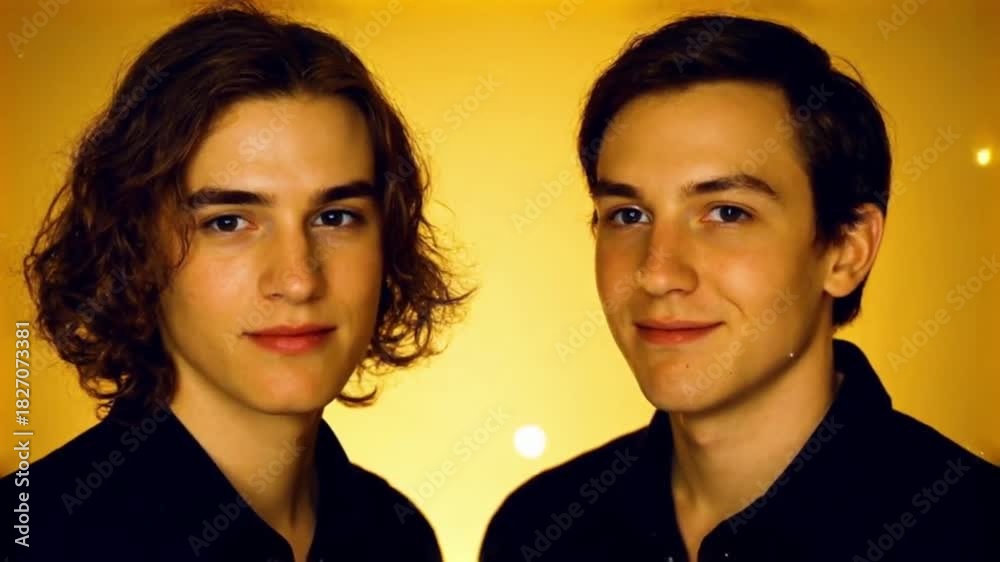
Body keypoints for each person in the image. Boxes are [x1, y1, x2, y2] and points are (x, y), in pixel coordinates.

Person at [480, 13, 999, 562]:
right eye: (629, 215)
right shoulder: (540, 529)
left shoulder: (973, 532)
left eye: (727, 213)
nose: (657, 273)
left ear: (847, 249)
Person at [3, 2, 468, 561]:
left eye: (335, 217)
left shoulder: (397, 536)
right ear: (135, 247)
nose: (298, 280)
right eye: (228, 223)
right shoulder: (31, 538)